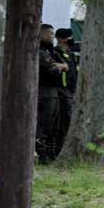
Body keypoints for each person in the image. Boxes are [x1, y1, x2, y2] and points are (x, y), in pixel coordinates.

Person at [37, 24, 67, 163]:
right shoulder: (39, 51)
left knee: (54, 126)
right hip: (43, 93)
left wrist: (59, 66)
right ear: (43, 34)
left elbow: (65, 65)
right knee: (44, 125)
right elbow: (53, 70)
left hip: (54, 93)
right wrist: (59, 67)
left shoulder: (51, 52)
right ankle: (41, 154)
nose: (53, 37)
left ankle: (50, 153)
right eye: (51, 33)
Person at [53, 28, 78, 156]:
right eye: (69, 37)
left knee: (69, 123)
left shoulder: (71, 54)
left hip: (71, 92)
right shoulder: (55, 53)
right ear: (61, 39)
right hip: (62, 92)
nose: (71, 40)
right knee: (63, 123)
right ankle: (58, 151)